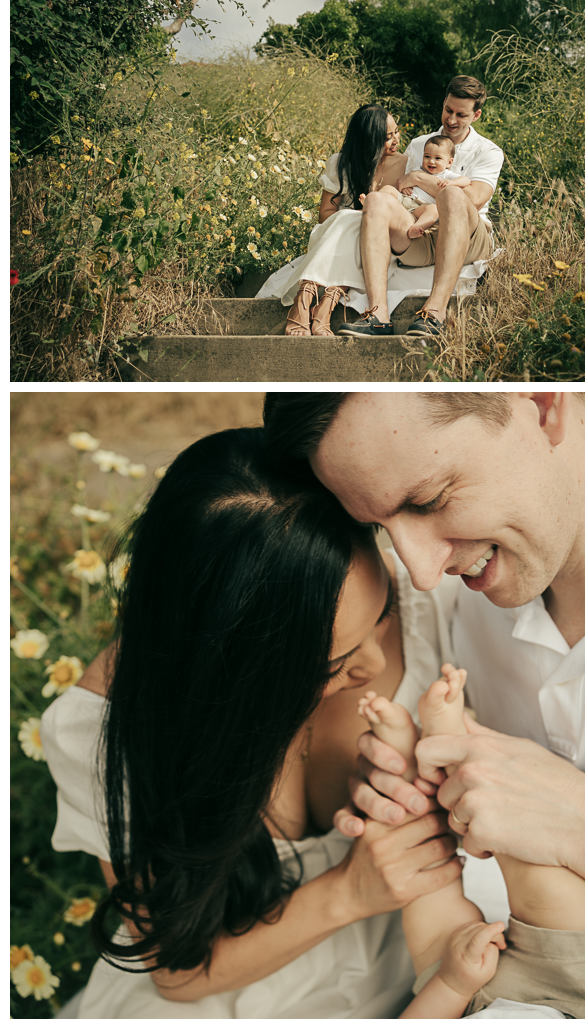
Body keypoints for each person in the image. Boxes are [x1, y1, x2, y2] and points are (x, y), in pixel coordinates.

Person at [263, 391, 585, 1017]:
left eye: (427, 500)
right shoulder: (469, 586)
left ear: (539, 402)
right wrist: (401, 784)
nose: (419, 572)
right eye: (381, 527)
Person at [40, 426, 471, 1018]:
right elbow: (174, 969)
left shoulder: (446, 603)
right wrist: (350, 890)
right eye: (334, 662)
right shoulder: (106, 726)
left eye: (384, 612)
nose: (372, 665)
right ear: (234, 669)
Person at [362, 666, 585, 1019]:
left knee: (425, 894)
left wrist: (451, 985)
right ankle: (451, 749)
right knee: (547, 888)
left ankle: (415, 760)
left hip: (459, 1003)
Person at [340, 75, 504, 338]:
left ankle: (434, 312)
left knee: (452, 196)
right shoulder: (419, 144)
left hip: (470, 237)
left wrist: (419, 177)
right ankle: (378, 314)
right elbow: (404, 190)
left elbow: (474, 197)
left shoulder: (488, 152)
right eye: (448, 110)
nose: (451, 120)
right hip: (421, 232)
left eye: (461, 114)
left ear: (476, 115)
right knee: (378, 200)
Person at [271, 104, 406, 337]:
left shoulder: (406, 165)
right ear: (368, 140)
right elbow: (325, 213)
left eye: (397, 132)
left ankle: (316, 304)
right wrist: (354, 218)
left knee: (363, 223)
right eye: (387, 137)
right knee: (351, 219)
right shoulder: (341, 162)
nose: (396, 140)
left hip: (378, 246)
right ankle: (312, 301)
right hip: (335, 235)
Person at [374, 134, 472, 240]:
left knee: (434, 210)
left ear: (449, 162)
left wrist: (453, 183)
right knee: (388, 188)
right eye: (427, 156)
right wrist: (404, 188)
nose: (431, 161)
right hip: (405, 200)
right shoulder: (419, 169)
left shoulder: (446, 175)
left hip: (420, 208)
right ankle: (375, 203)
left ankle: (416, 227)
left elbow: (466, 180)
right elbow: (403, 181)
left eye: (437, 158)